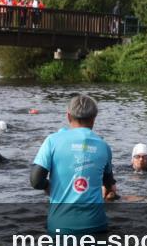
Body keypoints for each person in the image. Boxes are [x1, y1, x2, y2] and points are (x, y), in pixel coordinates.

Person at [30, 94, 118, 235]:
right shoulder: (104, 146)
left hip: (60, 226)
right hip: (96, 225)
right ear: (94, 118)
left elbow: (35, 180)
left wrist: (48, 186)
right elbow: (109, 185)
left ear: (68, 116)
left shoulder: (52, 141)